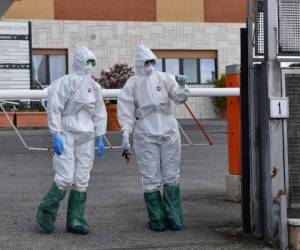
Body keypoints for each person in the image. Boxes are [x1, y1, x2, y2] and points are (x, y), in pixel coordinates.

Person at [117, 45, 189, 231]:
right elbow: (125, 110)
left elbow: (179, 98)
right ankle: (156, 218)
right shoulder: (132, 84)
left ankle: (174, 217)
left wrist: (182, 86)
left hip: (168, 129)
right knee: (150, 176)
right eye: (146, 62)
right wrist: (125, 132)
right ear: (140, 63)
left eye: (152, 61)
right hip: (145, 132)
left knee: (172, 174)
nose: (149, 65)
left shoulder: (164, 78)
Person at [36, 47, 107, 235]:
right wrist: (56, 133)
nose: (90, 66)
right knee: (65, 177)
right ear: (79, 61)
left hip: (87, 136)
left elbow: (100, 112)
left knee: (82, 179)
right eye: (88, 61)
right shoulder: (64, 83)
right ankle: (46, 210)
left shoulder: (95, 87)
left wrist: (100, 135)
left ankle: (75, 220)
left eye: (93, 62)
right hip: (66, 133)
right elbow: (55, 108)